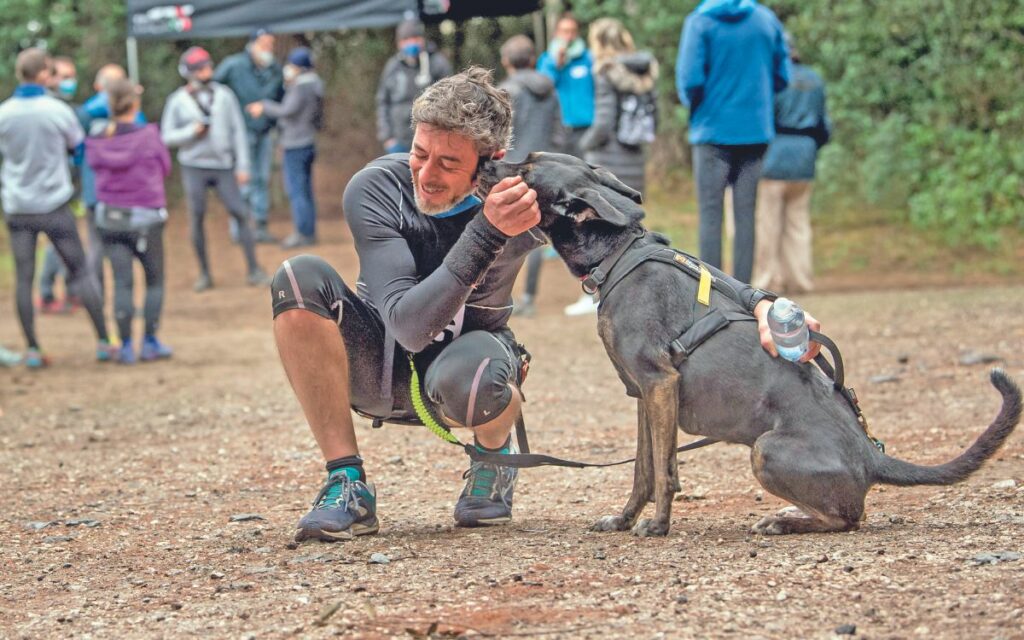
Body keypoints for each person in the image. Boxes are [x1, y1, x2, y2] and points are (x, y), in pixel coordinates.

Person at [272, 67, 546, 541]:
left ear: (491, 160)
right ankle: (346, 481)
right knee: (297, 278)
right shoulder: (379, 187)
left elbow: (620, 241)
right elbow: (409, 326)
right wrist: (488, 233)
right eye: (421, 153)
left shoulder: (525, 197)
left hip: (470, 373)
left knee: (480, 369)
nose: (427, 174)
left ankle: (494, 459)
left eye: (448, 162)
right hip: (380, 362)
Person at [0, 48, 117, 368]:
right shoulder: (57, 110)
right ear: (42, 75)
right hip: (54, 204)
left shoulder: (4, 113)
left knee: (24, 278)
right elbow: (78, 149)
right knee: (80, 271)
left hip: (17, 207)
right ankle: (105, 341)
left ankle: (34, 349)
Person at [676, 0, 790, 284]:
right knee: (745, 216)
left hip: (712, 131)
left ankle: (713, 291)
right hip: (755, 130)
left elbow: (690, 81)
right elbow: (783, 77)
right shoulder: (766, 20)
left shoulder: (699, 22)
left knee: (711, 215)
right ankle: (745, 292)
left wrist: (700, 107)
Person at [162, 47, 271, 293]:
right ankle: (204, 273)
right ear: (188, 73)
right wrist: (192, 132)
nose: (206, 71)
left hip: (223, 166)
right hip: (193, 166)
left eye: (208, 66)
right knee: (197, 217)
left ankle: (254, 269)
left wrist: (242, 165)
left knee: (241, 213)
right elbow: (166, 136)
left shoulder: (224, 95)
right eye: (200, 68)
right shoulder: (177, 101)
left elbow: (238, 131)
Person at [86, 78, 174, 364]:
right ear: (134, 104)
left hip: (110, 219)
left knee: (121, 283)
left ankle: (124, 346)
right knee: (154, 282)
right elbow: (166, 167)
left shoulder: (98, 137)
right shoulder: (148, 135)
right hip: (146, 219)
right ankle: (149, 342)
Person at [754, 35, 831, 294]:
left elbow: (763, 119)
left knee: (768, 224)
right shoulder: (814, 79)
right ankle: (801, 280)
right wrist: (810, 147)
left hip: (774, 156)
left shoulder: (774, 80)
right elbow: (824, 127)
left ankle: (767, 280)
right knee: (798, 224)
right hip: (805, 156)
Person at [499, 35, 564, 318]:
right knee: (536, 232)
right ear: (534, 60)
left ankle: (500, 298)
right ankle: (528, 296)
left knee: (499, 234)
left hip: (510, 169)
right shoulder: (550, 90)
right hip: (543, 167)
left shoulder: (505, 91)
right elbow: (561, 132)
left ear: (506, 62)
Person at [247, 46, 324, 249]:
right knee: (305, 190)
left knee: (296, 190)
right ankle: (309, 231)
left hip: (295, 144)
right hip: (307, 141)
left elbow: (286, 110)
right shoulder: (315, 85)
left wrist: (264, 106)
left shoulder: (301, 87)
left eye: (291, 64)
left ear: (299, 67)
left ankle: (302, 233)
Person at [214, 27, 284, 244]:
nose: (268, 49)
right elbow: (214, 90)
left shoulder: (275, 70)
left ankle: (261, 226)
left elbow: (281, 98)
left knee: (262, 179)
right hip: (241, 133)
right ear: (252, 44)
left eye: (271, 45)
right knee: (243, 179)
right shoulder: (233, 65)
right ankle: (240, 228)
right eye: (264, 44)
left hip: (265, 133)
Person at [37, 55, 81, 313]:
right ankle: (48, 292)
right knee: (56, 245)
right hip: (46, 190)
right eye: (64, 77)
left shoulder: (69, 109)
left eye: (71, 76)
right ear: (49, 78)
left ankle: (69, 291)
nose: (69, 82)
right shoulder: (45, 109)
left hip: (69, 187)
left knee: (61, 243)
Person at [375, 19, 452, 154]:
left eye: (415, 38)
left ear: (422, 39)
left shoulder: (438, 64)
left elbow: (451, 101)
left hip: (430, 140)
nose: (411, 43)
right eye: (406, 39)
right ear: (399, 43)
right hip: (399, 140)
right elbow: (382, 101)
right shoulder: (393, 67)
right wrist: (387, 136)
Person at [537, 13, 594, 157]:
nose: (568, 36)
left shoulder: (588, 58)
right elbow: (543, 87)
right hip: (558, 130)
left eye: (572, 31)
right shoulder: (546, 60)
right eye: (564, 31)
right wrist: (556, 65)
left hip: (585, 129)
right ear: (557, 33)